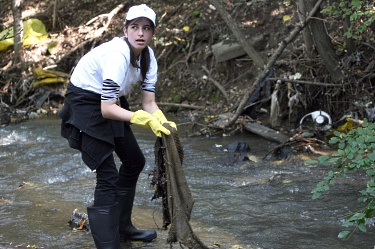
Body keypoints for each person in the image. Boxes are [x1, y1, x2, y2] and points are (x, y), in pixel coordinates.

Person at [58, 4, 176, 249]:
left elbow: (149, 102)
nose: (140, 33)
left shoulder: (148, 57)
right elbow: (106, 109)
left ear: (153, 33)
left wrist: (161, 120)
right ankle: (108, 244)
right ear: (125, 30)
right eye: (135, 27)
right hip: (86, 103)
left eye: (146, 28)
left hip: (109, 101)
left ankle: (123, 229)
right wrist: (138, 118)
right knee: (108, 174)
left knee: (134, 161)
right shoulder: (117, 54)